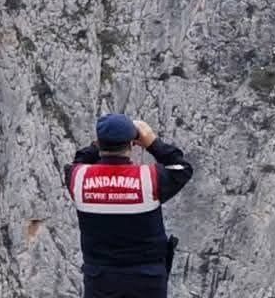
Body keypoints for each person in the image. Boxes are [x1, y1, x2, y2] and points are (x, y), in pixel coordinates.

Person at [63, 114, 194, 298]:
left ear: (99, 143)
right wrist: (152, 142)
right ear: (132, 144)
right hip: (147, 281)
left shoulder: (78, 178)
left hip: (100, 280)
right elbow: (182, 168)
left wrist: (96, 146)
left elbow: (78, 161)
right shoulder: (150, 179)